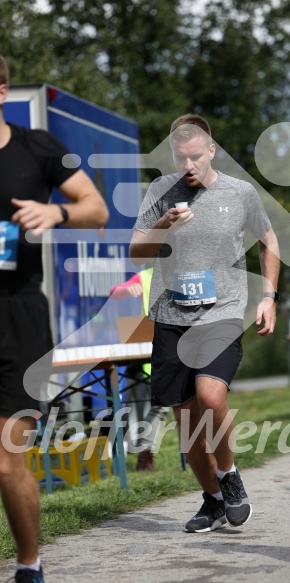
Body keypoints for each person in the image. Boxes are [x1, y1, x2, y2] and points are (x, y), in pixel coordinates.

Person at [129, 114, 279, 532]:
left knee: (210, 397)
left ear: (212, 150)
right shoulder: (160, 191)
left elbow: (270, 242)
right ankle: (212, 500)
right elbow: (137, 255)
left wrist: (268, 296)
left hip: (223, 312)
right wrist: (162, 225)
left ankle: (229, 477)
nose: (189, 166)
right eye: (181, 159)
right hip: (170, 316)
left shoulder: (240, 193)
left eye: (196, 157)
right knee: (188, 422)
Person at [0, 55, 109, 583]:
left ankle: (28, 565)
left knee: (6, 461)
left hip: (19, 315)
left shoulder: (36, 146)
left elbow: (97, 207)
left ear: (1, 92)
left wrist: (56, 213)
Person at [110, 268, 170, 471]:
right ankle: (142, 454)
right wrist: (127, 290)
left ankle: (144, 454)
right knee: (145, 408)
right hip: (144, 357)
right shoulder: (146, 276)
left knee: (162, 405)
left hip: (174, 352)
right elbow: (115, 291)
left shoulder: (190, 270)